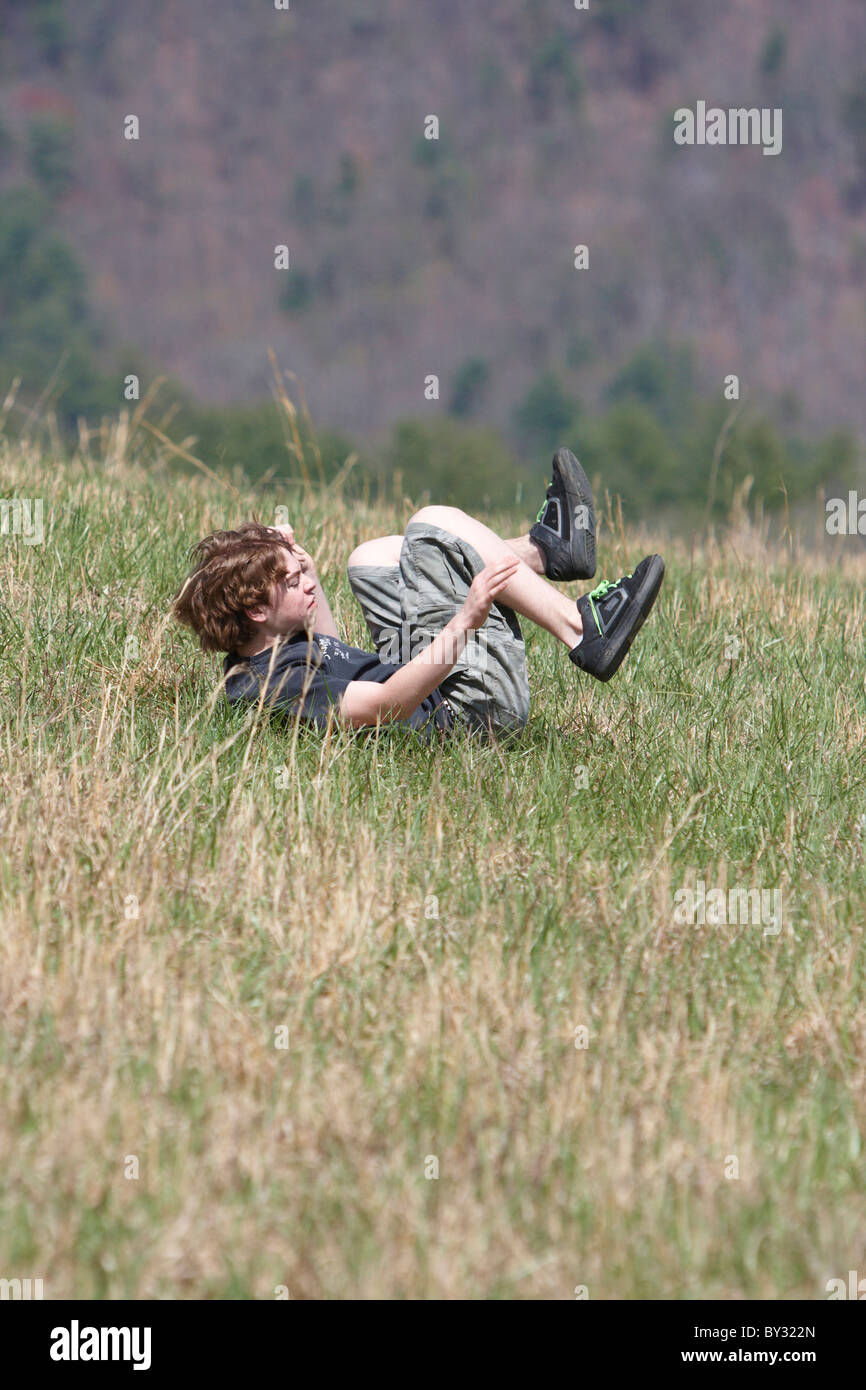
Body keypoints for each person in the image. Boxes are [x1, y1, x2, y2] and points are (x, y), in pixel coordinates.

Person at [171, 448, 665, 742]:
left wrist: (305, 566)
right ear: (257, 609)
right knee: (432, 525)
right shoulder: (276, 689)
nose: (302, 581)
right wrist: (464, 624)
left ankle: (545, 551)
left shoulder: (269, 649)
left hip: (428, 687)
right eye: (289, 582)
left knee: (371, 557)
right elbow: (388, 705)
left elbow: (332, 645)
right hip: (468, 717)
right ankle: (584, 631)